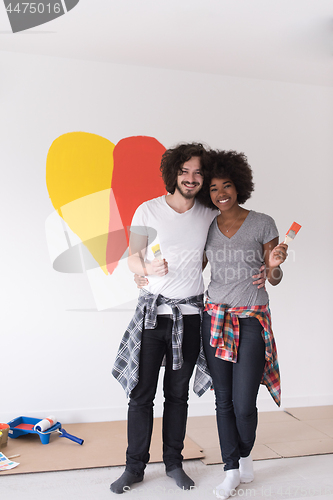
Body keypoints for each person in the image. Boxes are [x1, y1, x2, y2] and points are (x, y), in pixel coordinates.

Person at [110, 143, 218, 494]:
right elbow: (132, 258)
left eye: (199, 172)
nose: (191, 178)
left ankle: (174, 463)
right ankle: (134, 467)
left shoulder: (208, 213)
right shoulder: (149, 211)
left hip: (188, 318)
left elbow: (207, 256)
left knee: (177, 395)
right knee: (141, 395)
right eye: (185, 171)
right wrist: (146, 268)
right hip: (152, 318)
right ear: (173, 172)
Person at [196, 150, 288, 500]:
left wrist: (275, 264)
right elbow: (195, 268)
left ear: (239, 186)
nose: (221, 193)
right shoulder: (206, 226)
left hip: (250, 319)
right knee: (223, 401)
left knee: (244, 402)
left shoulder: (262, 222)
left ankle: (245, 452)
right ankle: (231, 468)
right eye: (215, 187)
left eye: (227, 185)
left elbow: (274, 277)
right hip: (214, 317)